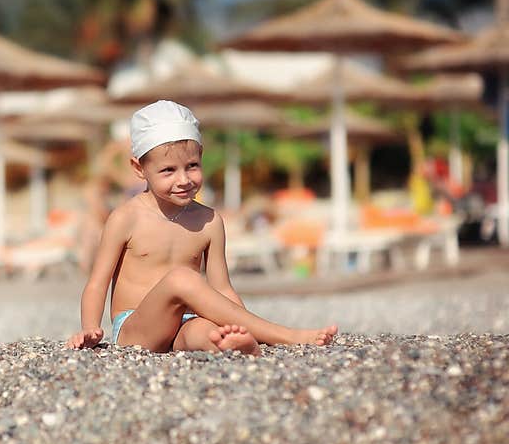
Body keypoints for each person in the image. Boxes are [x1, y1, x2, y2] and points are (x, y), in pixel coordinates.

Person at [66, 100, 337, 355]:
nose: (183, 179)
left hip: (186, 320)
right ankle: (284, 335)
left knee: (205, 333)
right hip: (136, 329)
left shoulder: (209, 221)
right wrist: (90, 328)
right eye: (168, 171)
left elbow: (223, 289)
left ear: (201, 157)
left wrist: (242, 325)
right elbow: (97, 282)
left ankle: (235, 345)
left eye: (192, 166)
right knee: (180, 278)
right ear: (139, 169)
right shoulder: (126, 217)